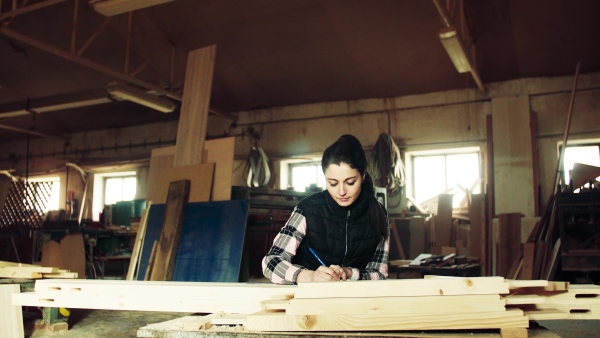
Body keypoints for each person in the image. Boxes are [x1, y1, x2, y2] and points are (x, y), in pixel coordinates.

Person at [262, 134, 390, 284]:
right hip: (308, 299)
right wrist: (308, 276)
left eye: (350, 182)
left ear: (362, 176)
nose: (341, 191)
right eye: (333, 183)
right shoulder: (308, 209)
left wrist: (350, 273)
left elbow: (380, 273)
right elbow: (270, 263)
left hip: (354, 301)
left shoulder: (378, 212)